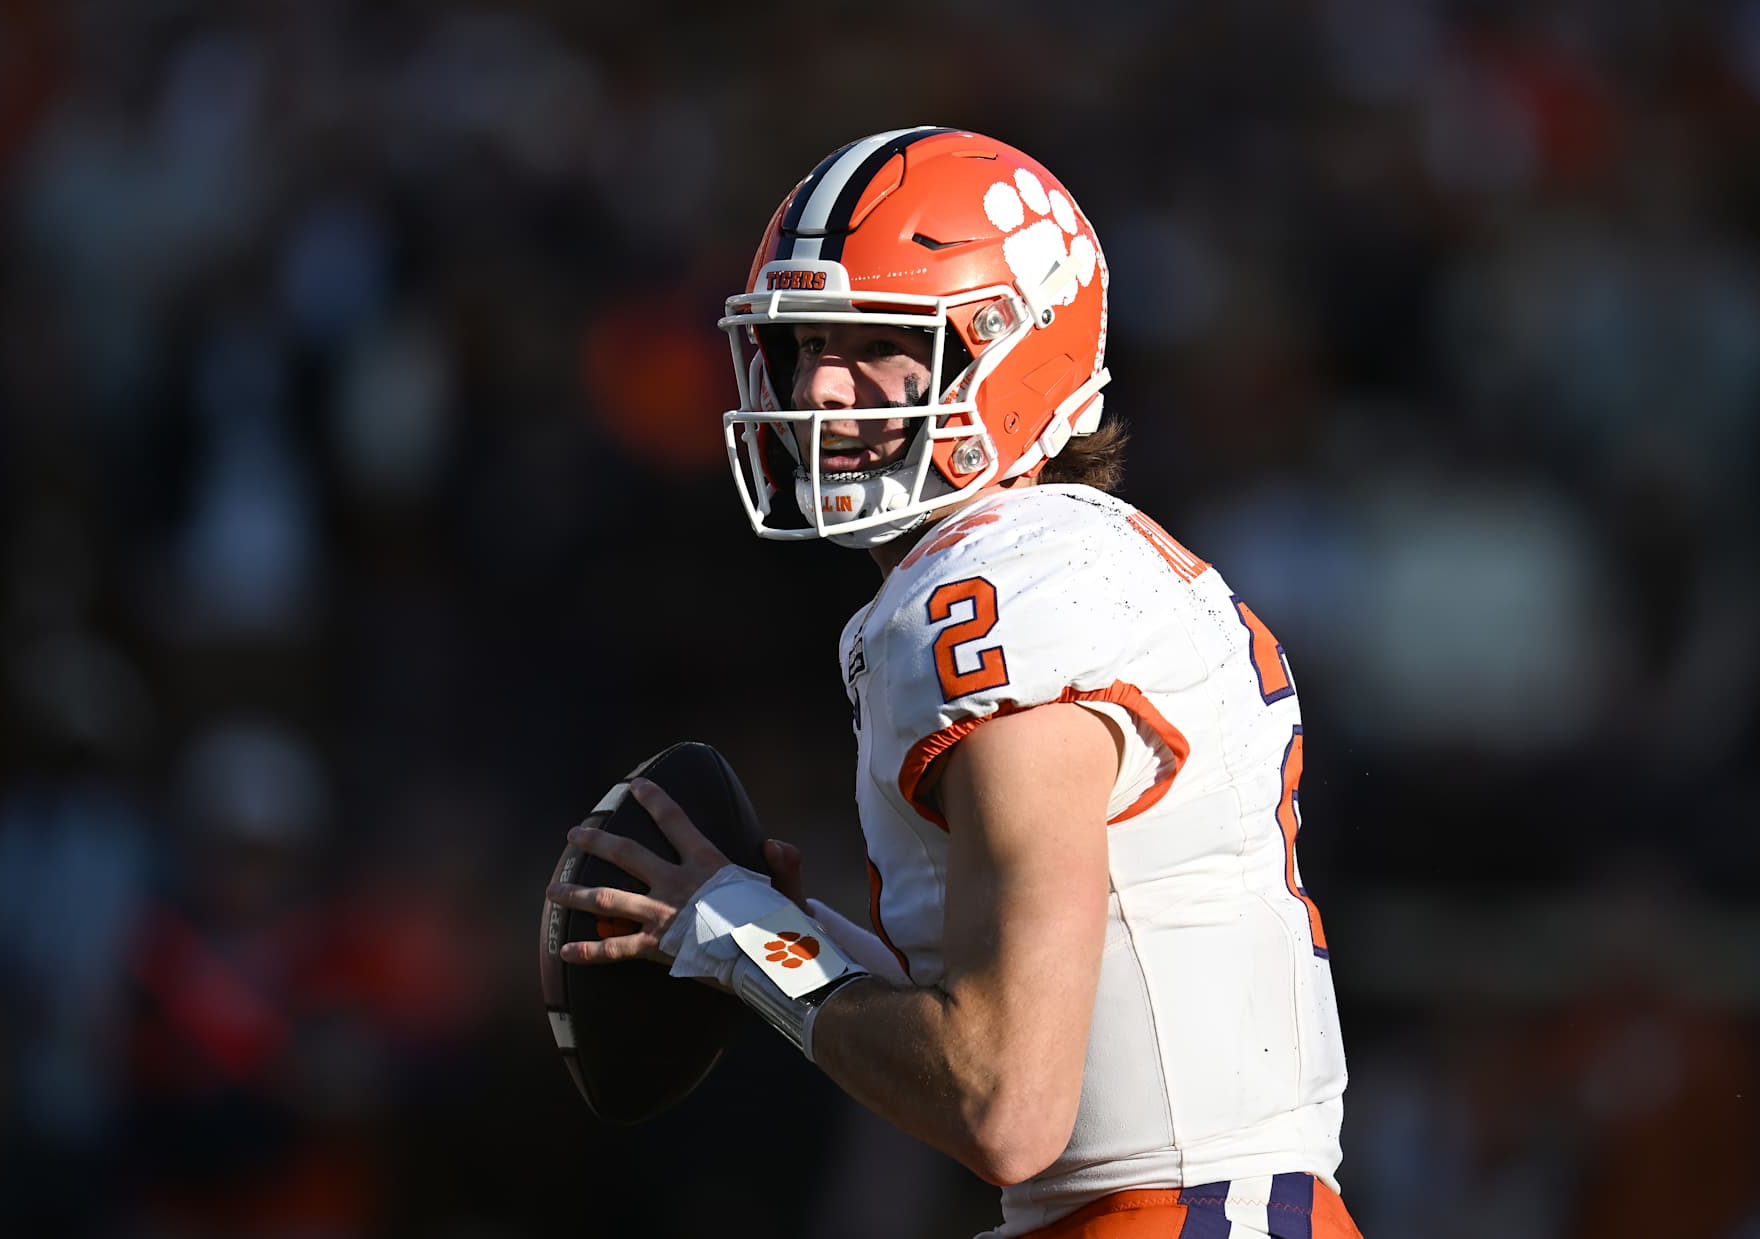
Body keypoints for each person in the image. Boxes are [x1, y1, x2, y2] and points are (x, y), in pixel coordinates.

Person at [548, 125, 1364, 1239]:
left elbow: (1007, 1099)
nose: (821, 391)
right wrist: (792, 935)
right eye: (802, 345)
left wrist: (746, 941)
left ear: (1007, 351)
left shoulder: (1001, 592)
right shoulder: (1058, 562)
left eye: (875, 344)